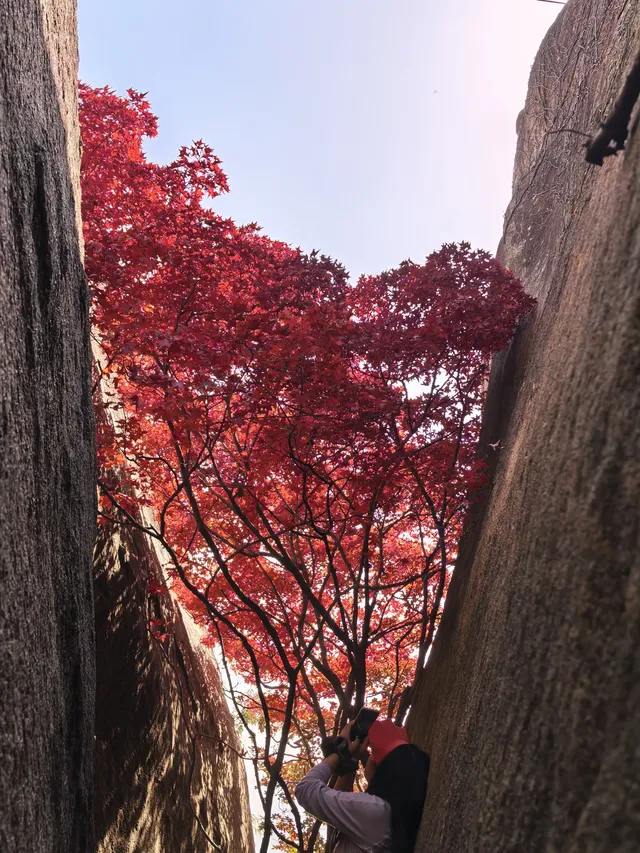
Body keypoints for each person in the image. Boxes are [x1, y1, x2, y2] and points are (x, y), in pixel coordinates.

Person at [295, 718, 430, 853]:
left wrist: (341, 750)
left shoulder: (375, 811)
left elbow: (305, 790)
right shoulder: (389, 814)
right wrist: (349, 761)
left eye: (373, 753)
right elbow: (340, 803)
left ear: (384, 769)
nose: (369, 755)